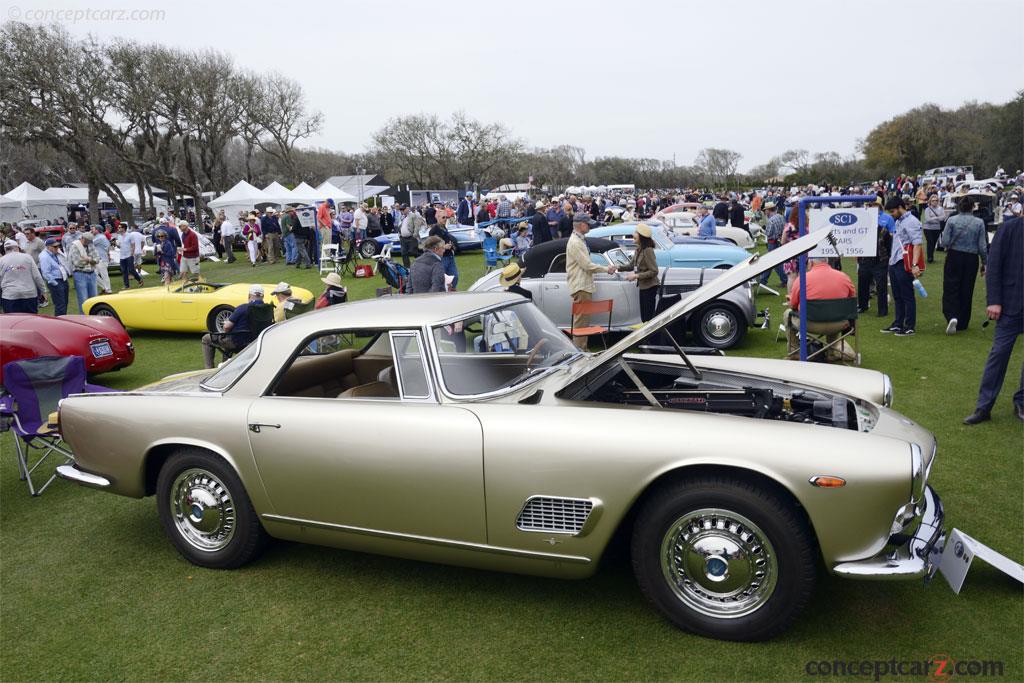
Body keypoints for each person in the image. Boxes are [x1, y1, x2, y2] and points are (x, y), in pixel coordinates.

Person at [963, 216, 1023, 424]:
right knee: (998, 355)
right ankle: (984, 407)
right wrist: (994, 301)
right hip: (1010, 305)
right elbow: (994, 265)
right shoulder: (1008, 229)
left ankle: (1021, 402)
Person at [785, 257, 857, 359]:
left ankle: (795, 351)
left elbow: (793, 305)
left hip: (809, 324)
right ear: (827, 262)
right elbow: (852, 300)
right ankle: (831, 351)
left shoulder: (802, 279)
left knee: (787, 313)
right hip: (839, 324)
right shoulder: (844, 277)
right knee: (834, 312)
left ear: (810, 263)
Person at [567, 213, 616, 350]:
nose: (589, 226)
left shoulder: (579, 240)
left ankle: (582, 348)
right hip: (581, 285)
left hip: (583, 284)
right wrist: (606, 269)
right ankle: (580, 351)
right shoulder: (576, 242)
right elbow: (587, 265)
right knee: (581, 323)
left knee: (583, 321)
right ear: (581, 225)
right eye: (587, 224)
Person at [940, 196, 988, 334]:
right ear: (973, 207)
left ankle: (951, 315)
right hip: (971, 258)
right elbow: (982, 246)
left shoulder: (952, 220)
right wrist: (984, 262)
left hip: (954, 256)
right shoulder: (979, 222)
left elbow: (945, 241)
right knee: (967, 289)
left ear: (959, 207)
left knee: (951, 286)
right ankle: (963, 321)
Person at [201, 285, 270, 368]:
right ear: (263, 296)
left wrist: (227, 330)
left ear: (249, 295)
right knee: (228, 338)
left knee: (206, 338)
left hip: (238, 343)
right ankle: (225, 365)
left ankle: (209, 369)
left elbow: (226, 327)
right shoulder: (267, 309)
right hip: (257, 342)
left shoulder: (243, 308)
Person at [882, 197, 924, 336]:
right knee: (897, 295)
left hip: (904, 262)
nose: (891, 214)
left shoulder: (912, 221)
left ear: (901, 207)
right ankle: (898, 323)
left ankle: (910, 325)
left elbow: (917, 243)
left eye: (893, 211)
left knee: (907, 295)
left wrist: (914, 264)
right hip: (894, 261)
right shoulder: (899, 221)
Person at [857, 199, 894, 316]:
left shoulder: (883, 230)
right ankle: (862, 306)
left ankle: (882, 310)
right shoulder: (862, 229)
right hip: (865, 260)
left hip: (880, 260)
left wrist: (887, 258)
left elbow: (889, 245)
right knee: (863, 284)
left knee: (881, 286)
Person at [619, 223, 660, 322]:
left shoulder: (648, 250)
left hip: (650, 287)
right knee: (644, 317)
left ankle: (650, 336)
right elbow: (631, 266)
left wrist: (637, 276)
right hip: (643, 286)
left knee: (647, 317)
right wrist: (617, 267)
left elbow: (654, 271)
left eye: (636, 232)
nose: (633, 234)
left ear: (641, 236)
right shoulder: (638, 249)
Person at [0, 240, 47, 313]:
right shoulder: (27, 257)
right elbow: (37, 276)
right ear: (17, 247)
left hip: (9, 295)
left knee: (13, 321)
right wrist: (43, 290)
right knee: (30, 319)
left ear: (5, 249)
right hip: (29, 293)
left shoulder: (1, 261)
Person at [68, 232, 98, 313]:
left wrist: (87, 259)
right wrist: (91, 260)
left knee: (94, 298)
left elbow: (97, 259)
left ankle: (94, 316)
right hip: (80, 274)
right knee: (83, 298)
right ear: (83, 238)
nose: (89, 243)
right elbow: (77, 263)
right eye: (88, 241)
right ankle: (84, 317)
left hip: (92, 273)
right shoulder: (75, 246)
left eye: (90, 241)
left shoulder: (90, 244)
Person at [39, 238, 70, 315]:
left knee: (64, 302)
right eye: (55, 247)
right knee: (60, 304)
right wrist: (55, 283)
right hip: (56, 281)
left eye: (57, 246)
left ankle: (63, 319)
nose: (57, 248)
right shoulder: (44, 257)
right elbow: (45, 273)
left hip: (62, 279)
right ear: (48, 247)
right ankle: (59, 322)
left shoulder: (54, 253)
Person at [759, 203, 787, 286]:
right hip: (780, 240)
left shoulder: (771, 220)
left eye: (765, 210)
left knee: (772, 262)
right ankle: (764, 280)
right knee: (776, 262)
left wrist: (763, 230)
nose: (765, 212)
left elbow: (768, 233)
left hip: (773, 242)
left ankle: (763, 280)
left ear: (768, 210)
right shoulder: (780, 216)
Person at [428, 220, 459, 289]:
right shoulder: (433, 230)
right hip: (442, 258)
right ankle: (443, 292)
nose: (445, 219)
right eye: (443, 217)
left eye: (446, 217)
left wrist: (452, 246)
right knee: (441, 278)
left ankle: (451, 291)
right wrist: (444, 247)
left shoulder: (444, 228)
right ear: (437, 218)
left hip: (450, 256)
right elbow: (431, 246)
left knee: (455, 277)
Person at [115, 224, 143, 289]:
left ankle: (139, 280)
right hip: (122, 256)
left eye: (119, 227)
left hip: (129, 255)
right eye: (118, 227)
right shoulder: (119, 236)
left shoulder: (130, 235)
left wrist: (132, 253)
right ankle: (126, 286)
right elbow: (119, 246)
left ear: (124, 228)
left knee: (131, 270)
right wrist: (117, 245)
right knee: (124, 271)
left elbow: (133, 245)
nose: (118, 228)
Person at [922, 194, 945, 263]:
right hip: (928, 228)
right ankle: (930, 257)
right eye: (933, 200)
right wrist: (938, 218)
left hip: (937, 228)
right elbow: (928, 219)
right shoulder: (927, 209)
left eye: (936, 200)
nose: (934, 202)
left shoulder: (941, 208)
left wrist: (934, 218)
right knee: (930, 242)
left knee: (934, 242)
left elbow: (943, 217)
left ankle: (931, 255)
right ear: (930, 201)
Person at [89, 225, 112, 294]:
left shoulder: (100, 237)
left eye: (93, 229)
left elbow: (89, 243)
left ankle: (108, 289)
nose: (91, 230)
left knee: (104, 275)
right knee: (93, 275)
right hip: (99, 259)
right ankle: (105, 288)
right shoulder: (100, 237)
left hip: (102, 259)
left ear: (97, 230)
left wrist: (89, 234)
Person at [398, 204, 421, 269]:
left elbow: (417, 225)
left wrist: (415, 234)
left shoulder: (413, 215)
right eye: (401, 209)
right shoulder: (401, 217)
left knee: (413, 251)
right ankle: (407, 268)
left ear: (407, 209)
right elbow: (400, 225)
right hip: (403, 237)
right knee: (403, 253)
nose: (401, 211)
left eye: (403, 209)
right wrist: (399, 234)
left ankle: (422, 261)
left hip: (411, 237)